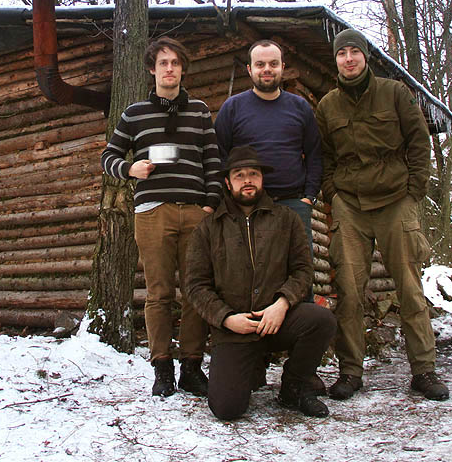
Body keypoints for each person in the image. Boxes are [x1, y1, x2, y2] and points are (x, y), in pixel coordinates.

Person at [316, 28, 449, 402]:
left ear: (365, 57)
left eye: (354, 52)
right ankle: (351, 372)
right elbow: (325, 156)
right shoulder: (328, 105)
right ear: (336, 60)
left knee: (409, 288)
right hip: (350, 206)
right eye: (342, 54)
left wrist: (414, 190)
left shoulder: (394, 93)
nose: (349, 60)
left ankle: (423, 370)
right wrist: (333, 193)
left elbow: (419, 142)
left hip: (395, 201)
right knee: (349, 291)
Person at [101, 36, 222, 398]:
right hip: (152, 212)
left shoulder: (200, 111)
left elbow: (213, 162)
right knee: (159, 293)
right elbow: (108, 156)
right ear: (152, 70)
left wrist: (210, 204)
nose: (169, 69)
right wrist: (129, 168)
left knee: (196, 292)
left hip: (195, 214)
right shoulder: (134, 114)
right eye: (163, 63)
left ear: (183, 70)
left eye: (175, 63)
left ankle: (191, 367)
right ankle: (162, 368)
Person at [185, 146, 336, 420]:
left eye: (253, 173)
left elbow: (303, 270)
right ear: (228, 182)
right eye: (239, 174)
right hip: (235, 327)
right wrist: (226, 318)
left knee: (321, 320)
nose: (247, 180)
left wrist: (282, 303)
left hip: (278, 320)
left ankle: (295, 386)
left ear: (262, 179)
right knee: (226, 409)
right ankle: (251, 366)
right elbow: (196, 285)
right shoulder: (208, 228)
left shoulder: (286, 219)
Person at [214, 40, 322, 258]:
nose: (266, 69)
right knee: (248, 274)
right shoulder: (233, 108)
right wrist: (229, 198)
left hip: (293, 203)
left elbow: (314, 154)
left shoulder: (300, 107)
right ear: (249, 69)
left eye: (273, 64)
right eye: (260, 64)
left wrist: (309, 196)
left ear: (282, 67)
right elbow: (218, 155)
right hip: (246, 205)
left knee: (299, 271)